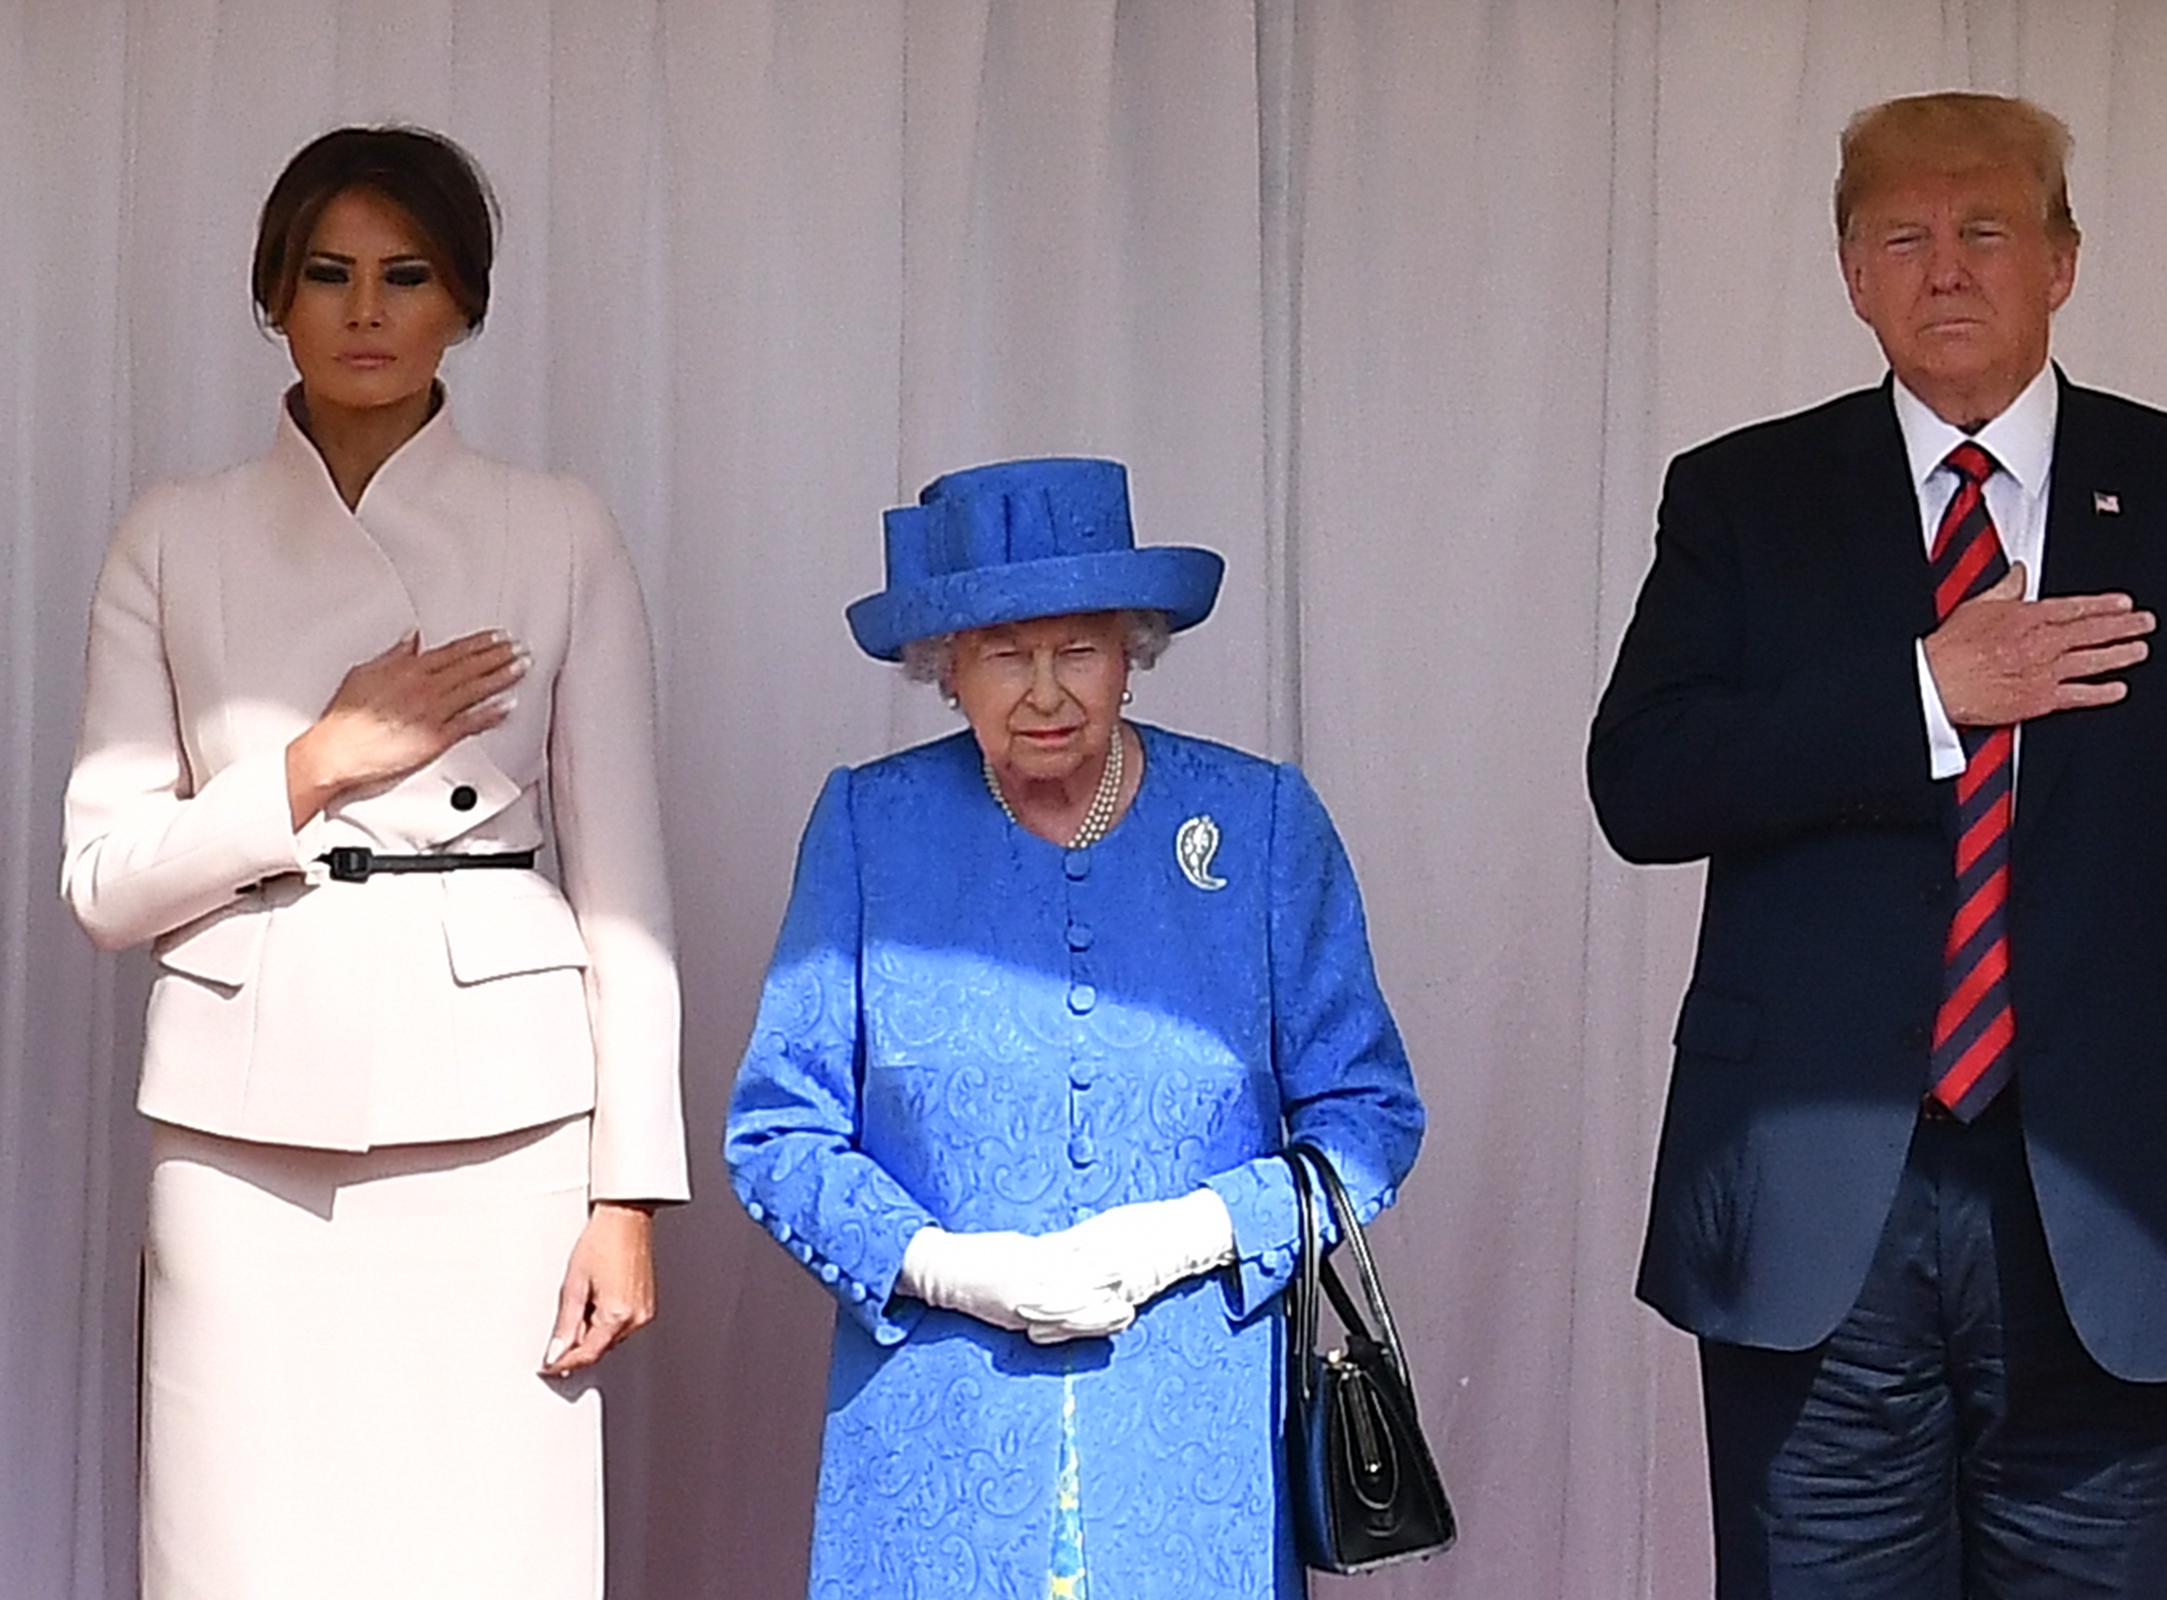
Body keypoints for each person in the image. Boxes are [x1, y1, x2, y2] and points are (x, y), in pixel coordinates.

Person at [1587, 92, 2167, 1598]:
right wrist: (1925, 692)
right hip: (1818, 1224)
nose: (1947, 269)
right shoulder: (1743, 498)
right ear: (1851, 273)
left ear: (2063, 263)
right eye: (1905, 237)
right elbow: (1644, 786)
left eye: (1986, 230)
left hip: (2129, 1212)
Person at [61, 126, 685, 1600]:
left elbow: (628, 892)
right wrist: (315, 759)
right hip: (238, 1133)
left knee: (492, 1550)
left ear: (462, 303)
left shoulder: (560, 527)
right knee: (237, 1553)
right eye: (327, 274)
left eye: (406, 276)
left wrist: (627, 1195)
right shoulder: (175, 534)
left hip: (511, 1128)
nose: (364, 311)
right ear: (272, 296)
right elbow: (102, 885)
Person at [725, 456, 1425, 1600]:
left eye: (1079, 649)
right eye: (1005, 653)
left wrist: (1194, 1232)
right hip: (934, 1445)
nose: (1045, 691)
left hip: (1191, 1448)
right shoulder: (870, 826)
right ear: (946, 668)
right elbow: (777, 1134)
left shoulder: (1257, 825)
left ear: (1133, 653)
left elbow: (1369, 1117)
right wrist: (946, 1267)